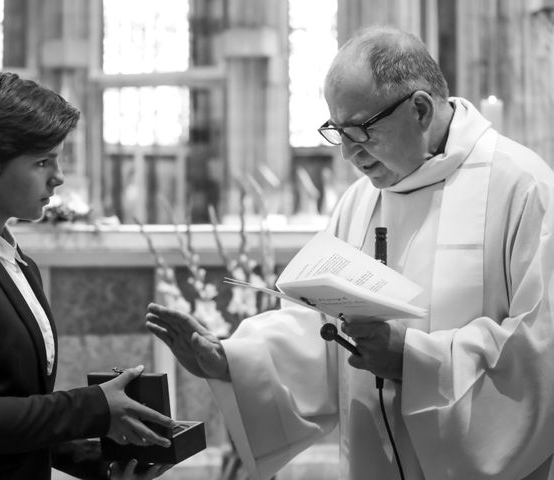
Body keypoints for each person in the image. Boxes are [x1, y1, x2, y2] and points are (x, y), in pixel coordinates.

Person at [145, 25, 554, 480]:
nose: (346, 153)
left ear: (419, 109)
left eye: (359, 131)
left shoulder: (521, 187)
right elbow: (321, 323)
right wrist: (234, 360)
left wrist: (414, 359)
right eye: (336, 132)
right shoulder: (362, 201)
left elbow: (539, 350)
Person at [0, 72, 174, 480]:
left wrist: (101, 460)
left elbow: (16, 406)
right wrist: (92, 407)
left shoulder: (16, 261)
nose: (58, 176)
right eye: (41, 162)